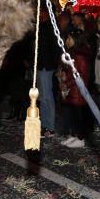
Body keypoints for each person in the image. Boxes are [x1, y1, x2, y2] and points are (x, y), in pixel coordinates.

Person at [58, 28, 92, 148]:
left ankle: (80, 138)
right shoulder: (73, 52)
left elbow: (80, 74)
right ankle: (74, 135)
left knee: (77, 115)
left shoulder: (80, 55)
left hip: (77, 90)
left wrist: (67, 83)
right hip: (71, 88)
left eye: (69, 38)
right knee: (71, 114)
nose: (67, 40)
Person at [37, 8, 62, 138]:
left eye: (41, 12)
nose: (40, 14)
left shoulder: (51, 27)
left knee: (47, 96)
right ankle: (45, 125)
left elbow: (55, 47)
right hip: (41, 64)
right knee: (42, 97)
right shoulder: (42, 26)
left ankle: (50, 127)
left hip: (46, 65)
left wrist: (52, 63)